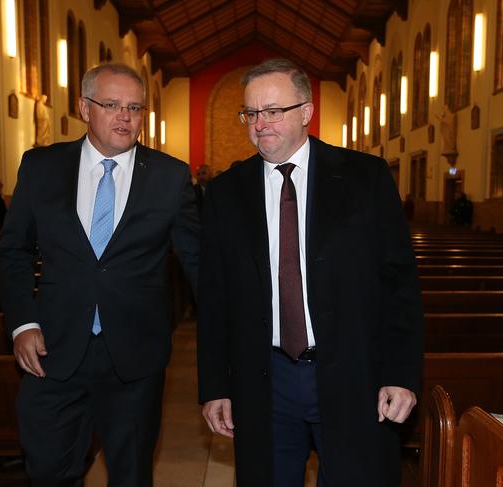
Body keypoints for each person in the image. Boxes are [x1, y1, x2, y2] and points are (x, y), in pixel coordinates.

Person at [197, 59, 424, 487]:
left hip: (354, 376)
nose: (260, 124)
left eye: (272, 111)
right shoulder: (227, 193)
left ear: (306, 112)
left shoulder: (364, 178)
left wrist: (401, 375)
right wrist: (214, 385)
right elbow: (214, 298)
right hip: (266, 380)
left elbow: (400, 288)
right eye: (251, 113)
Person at [0, 63, 199, 486]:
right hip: (51, 353)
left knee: (130, 476)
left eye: (134, 108)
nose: (125, 117)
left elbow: (198, 264)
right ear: (85, 107)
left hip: (134, 359)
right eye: (112, 105)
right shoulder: (41, 167)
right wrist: (22, 323)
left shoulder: (170, 176)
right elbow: (14, 251)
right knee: (49, 471)